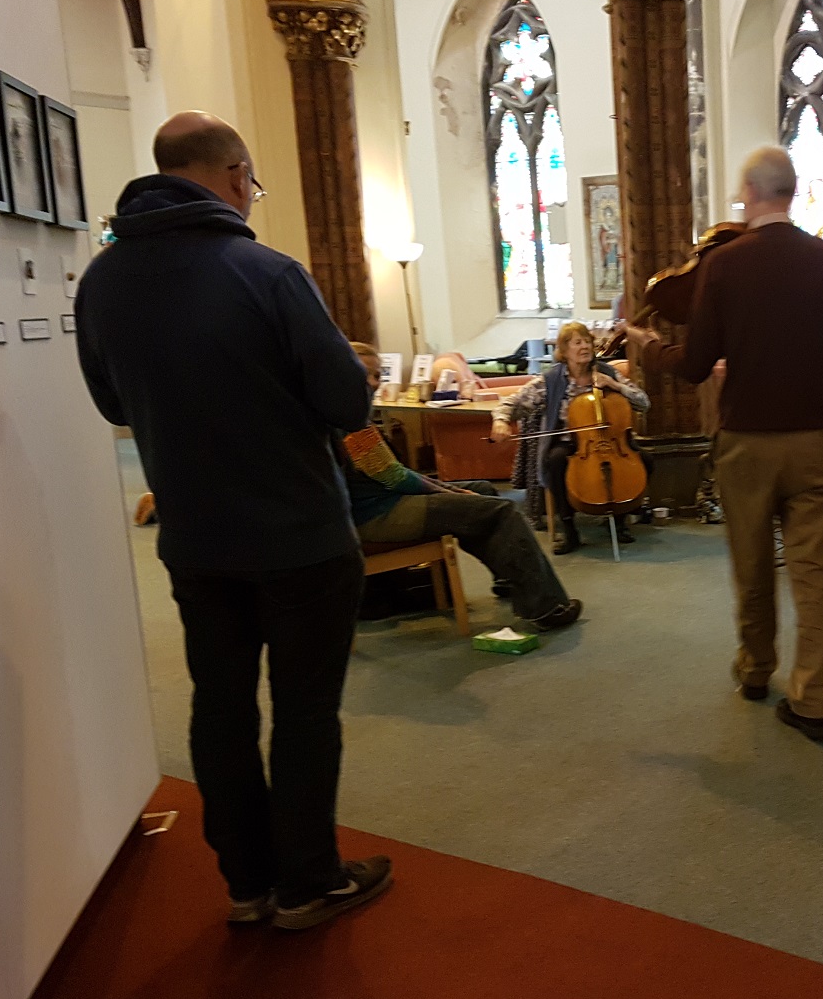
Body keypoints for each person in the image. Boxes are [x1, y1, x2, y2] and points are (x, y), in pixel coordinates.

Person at [74, 111, 390, 931]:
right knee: (305, 712)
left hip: (195, 539)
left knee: (220, 708)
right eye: (251, 184)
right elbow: (346, 400)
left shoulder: (101, 281)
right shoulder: (268, 272)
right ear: (235, 174)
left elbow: (112, 404)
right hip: (300, 537)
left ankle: (247, 883)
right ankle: (308, 882)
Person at [627, 146, 823, 742]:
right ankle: (814, 699)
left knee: (752, 566)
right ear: (792, 192)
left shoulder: (725, 264)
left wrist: (648, 347)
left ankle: (755, 669)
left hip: (746, 443)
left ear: (748, 192)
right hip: (816, 440)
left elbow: (696, 365)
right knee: (812, 573)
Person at [345, 344, 581, 629]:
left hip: (382, 501)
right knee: (501, 511)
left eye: (377, 375)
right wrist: (450, 492)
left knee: (482, 489)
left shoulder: (350, 414)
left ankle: (509, 579)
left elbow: (393, 475)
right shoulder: (349, 423)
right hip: (377, 514)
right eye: (367, 375)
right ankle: (545, 608)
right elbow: (395, 478)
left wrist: (452, 491)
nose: (375, 382)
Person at [490, 321, 650, 555]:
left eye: (587, 341)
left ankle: (618, 519)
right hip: (572, 443)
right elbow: (513, 402)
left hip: (612, 440)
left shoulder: (606, 372)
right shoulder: (551, 380)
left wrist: (615, 385)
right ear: (564, 351)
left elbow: (643, 403)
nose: (584, 346)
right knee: (555, 461)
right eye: (577, 343)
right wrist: (501, 420)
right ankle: (569, 528)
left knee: (645, 460)